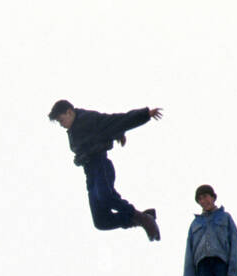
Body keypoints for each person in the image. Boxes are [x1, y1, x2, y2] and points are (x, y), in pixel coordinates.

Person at [48, 99, 162, 241]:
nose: (61, 125)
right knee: (100, 221)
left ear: (69, 112)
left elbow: (114, 121)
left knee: (107, 197)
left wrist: (145, 114)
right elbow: (100, 135)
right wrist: (117, 134)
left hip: (100, 165)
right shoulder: (72, 130)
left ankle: (144, 219)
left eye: (61, 120)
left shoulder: (87, 119)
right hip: (90, 173)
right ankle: (140, 218)